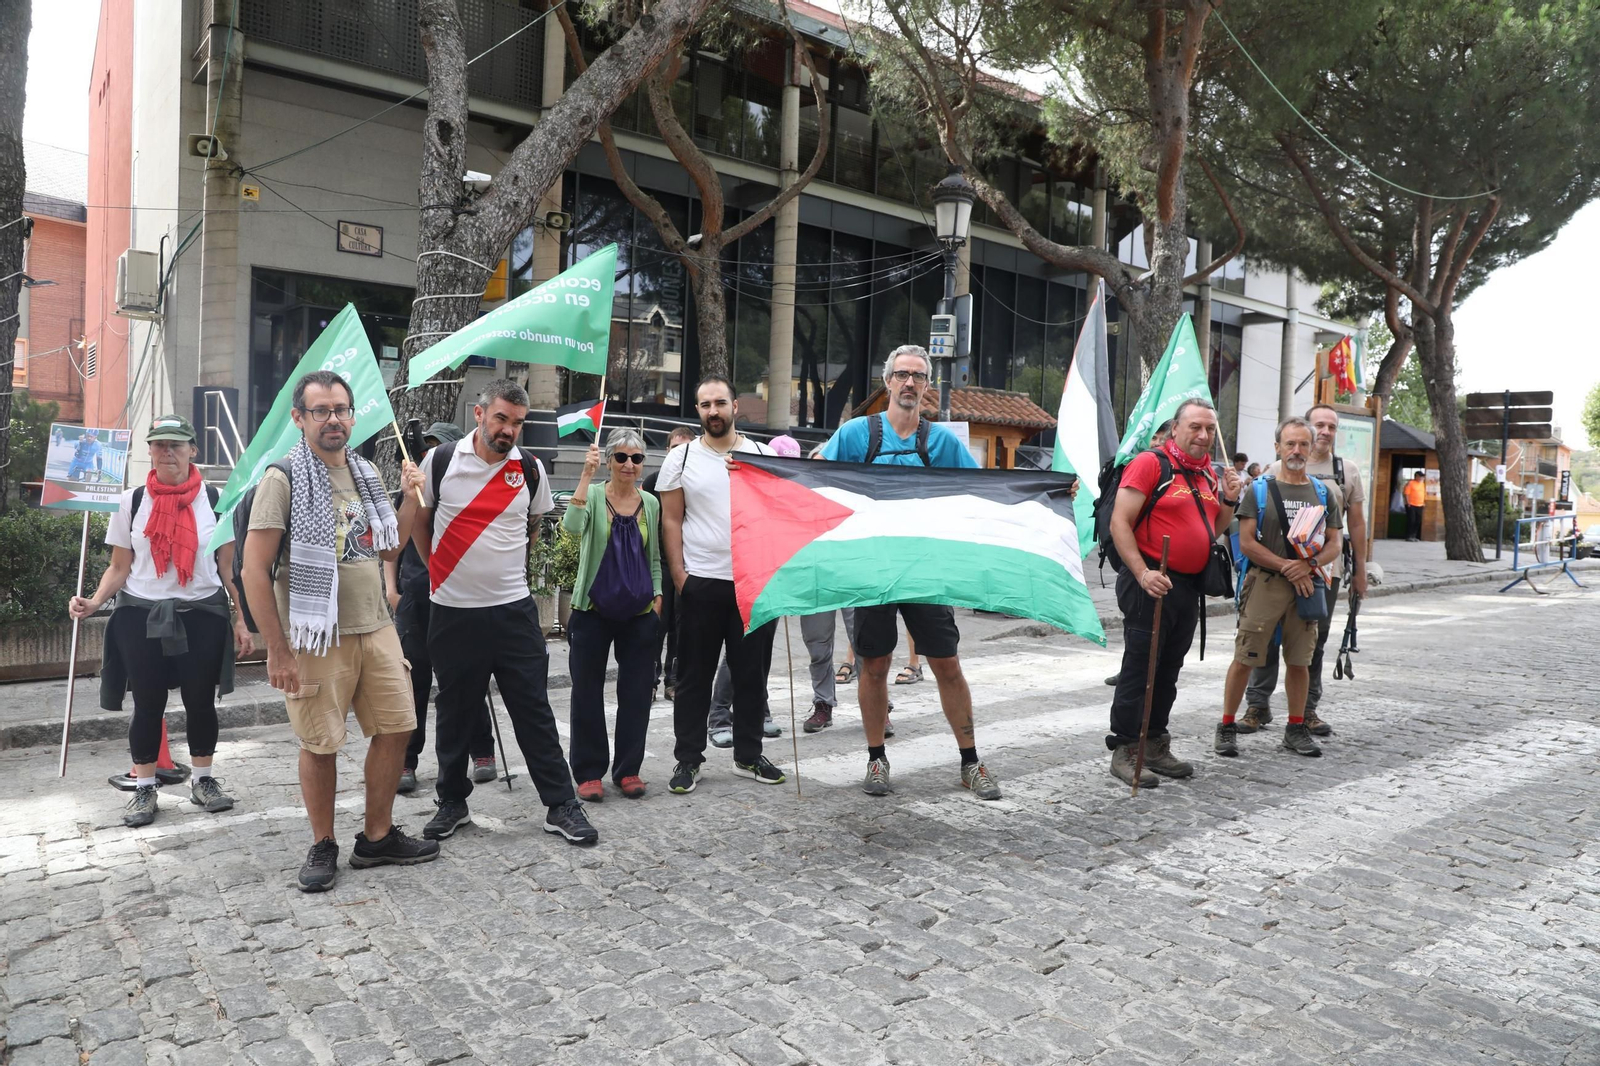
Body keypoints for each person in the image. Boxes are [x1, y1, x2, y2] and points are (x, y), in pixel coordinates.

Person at [243, 372, 438, 892]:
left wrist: (413, 496)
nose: (333, 419)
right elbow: (253, 570)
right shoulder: (282, 479)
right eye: (321, 410)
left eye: (341, 410)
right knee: (321, 742)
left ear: (353, 416)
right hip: (315, 636)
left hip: (375, 626)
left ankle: (376, 838)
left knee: (398, 727)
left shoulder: (366, 473)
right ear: (299, 418)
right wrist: (276, 651)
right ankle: (323, 843)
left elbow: (388, 549)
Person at [414, 379, 597, 846]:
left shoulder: (530, 469)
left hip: (514, 612)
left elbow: (532, 528)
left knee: (533, 710)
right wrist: (440, 572)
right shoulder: (439, 461)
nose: (509, 429)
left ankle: (561, 805)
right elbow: (419, 523)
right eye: (501, 418)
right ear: (479, 414)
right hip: (453, 611)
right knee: (455, 712)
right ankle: (452, 802)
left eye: (517, 422)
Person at [820, 343, 998, 800]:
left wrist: (1052, 490)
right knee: (873, 665)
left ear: (928, 387)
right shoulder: (858, 434)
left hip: (925, 573)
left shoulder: (941, 442)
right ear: (887, 382)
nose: (910, 383)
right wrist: (758, 474)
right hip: (873, 573)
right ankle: (876, 758)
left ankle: (970, 762)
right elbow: (813, 479)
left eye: (918, 376)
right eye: (901, 374)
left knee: (947, 665)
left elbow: (981, 493)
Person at [70, 415, 254, 827]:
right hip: (142, 616)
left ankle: (204, 781)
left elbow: (229, 570)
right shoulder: (131, 501)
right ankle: (145, 788)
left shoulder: (216, 498)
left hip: (202, 614)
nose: (167, 452)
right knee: (147, 704)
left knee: (200, 702)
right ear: (149, 451)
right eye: (158, 445)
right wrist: (94, 601)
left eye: (176, 444)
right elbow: (119, 567)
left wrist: (241, 620)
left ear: (193, 450)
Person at [657, 374, 788, 793]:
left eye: (719, 403)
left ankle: (747, 755)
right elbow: (671, 519)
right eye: (704, 405)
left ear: (735, 406)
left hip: (753, 584)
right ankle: (688, 759)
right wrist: (680, 576)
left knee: (752, 674)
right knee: (693, 676)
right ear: (697, 411)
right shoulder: (680, 459)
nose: (712, 411)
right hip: (701, 583)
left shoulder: (762, 455)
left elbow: (777, 517)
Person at [1105, 398, 1242, 788]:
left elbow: (1212, 528)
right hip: (1149, 579)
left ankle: (1155, 744)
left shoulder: (1207, 474)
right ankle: (1126, 748)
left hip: (1186, 585)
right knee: (1140, 668)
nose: (1203, 435)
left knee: (1168, 669)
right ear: (1177, 428)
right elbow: (1120, 521)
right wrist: (1143, 573)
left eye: (1210, 429)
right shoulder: (1152, 463)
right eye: (1195, 427)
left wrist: (1230, 499)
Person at [1213, 417, 1344, 759]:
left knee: (1300, 661)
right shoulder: (1259, 489)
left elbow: (1334, 544)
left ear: (1311, 447)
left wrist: (1309, 566)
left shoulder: (1322, 491)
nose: (1297, 450)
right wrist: (1289, 566)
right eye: (1290, 444)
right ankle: (1227, 725)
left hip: (1305, 586)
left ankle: (1295, 728)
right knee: (1245, 657)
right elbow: (1247, 542)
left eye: (1303, 444)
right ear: (1277, 448)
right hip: (1266, 584)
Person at [381, 422, 497, 795]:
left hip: (459, 596)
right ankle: (406, 761)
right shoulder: (412, 493)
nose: (430, 454)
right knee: (413, 683)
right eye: (426, 447)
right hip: (417, 597)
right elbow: (393, 546)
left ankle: (481, 751)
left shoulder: (465, 492)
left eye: (438, 447)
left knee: (466, 679)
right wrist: (391, 589)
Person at [1240, 404, 1364, 737]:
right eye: (1319, 425)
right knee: (1264, 641)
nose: (1325, 432)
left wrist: (1361, 571)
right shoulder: (1271, 472)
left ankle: (1307, 710)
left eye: (1331, 427)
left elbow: (1356, 524)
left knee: (1312, 644)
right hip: (1274, 572)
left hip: (1324, 573)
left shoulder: (1345, 471)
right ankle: (1257, 705)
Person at [563, 429, 663, 801]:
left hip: (639, 612)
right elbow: (571, 529)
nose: (629, 465)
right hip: (592, 609)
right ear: (608, 461)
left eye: (636, 459)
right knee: (586, 691)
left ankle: (628, 770)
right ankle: (589, 772)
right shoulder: (590, 494)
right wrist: (585, 475)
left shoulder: (649, 503)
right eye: (621, 457)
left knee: (637, 692)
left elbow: (653, 557)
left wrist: (657, 596)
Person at [1103, 416, 1181, 690]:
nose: (1158, 444)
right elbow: (1120, 519)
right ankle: (1131, 675)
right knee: (1138, 630)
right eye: (1155, 439)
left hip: (1166, 573)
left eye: (1163, 439)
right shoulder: (1143, 466)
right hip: (1137, 564)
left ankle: (1134, 672)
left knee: (1151, 638)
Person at [643, 424, 697, 700]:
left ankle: (673, 680)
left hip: (690, 564)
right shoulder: (653, 481)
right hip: (659, 563)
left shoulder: (698, 482)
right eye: (675, 448)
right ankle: (650, 681)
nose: (680, 454)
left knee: (681, 626)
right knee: (656, 624)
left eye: (686, 448)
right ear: (666, 451)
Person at [1404, 471, 1427, 541]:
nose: (1421, 478)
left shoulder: (1423, 484)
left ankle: (1414, 535)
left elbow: (1424, 494)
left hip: (1420, 505)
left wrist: (1424, 502)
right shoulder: (1411, 483)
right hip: (1411, 504)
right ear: (1416, 476)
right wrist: (1408, 503)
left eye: (1422, 477)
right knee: (1411, 520)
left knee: (1418, 520)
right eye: (1420, 476)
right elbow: (1406, 493)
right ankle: (1408, 536)